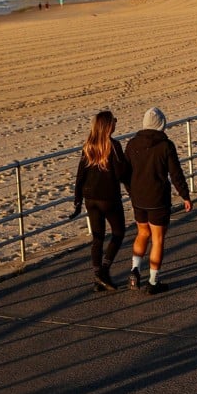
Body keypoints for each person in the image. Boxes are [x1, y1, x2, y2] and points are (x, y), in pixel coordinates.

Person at [124, 107, 193, 294]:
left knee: (142, 233)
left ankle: (135, 269)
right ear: (162, 124)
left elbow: (125, 173)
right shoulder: (166, 145)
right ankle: (153, 281)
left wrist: (132, 191)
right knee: (158, 239)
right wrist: (185, 195)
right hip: (158, 199)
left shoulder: (132, 144)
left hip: (138, 198)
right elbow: (175, 173)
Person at [70, 110, 129, 291]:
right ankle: (103, 270)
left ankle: (98, 278)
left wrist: (78, 201)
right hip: (108, 197)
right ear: (108, 126)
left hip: (90, 198)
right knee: (118, 233)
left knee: (97, 238)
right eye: (114, 121)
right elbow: (122, 173)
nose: (116, 123)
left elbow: (80, 176)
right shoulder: (113, 146)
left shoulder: (88, 146)